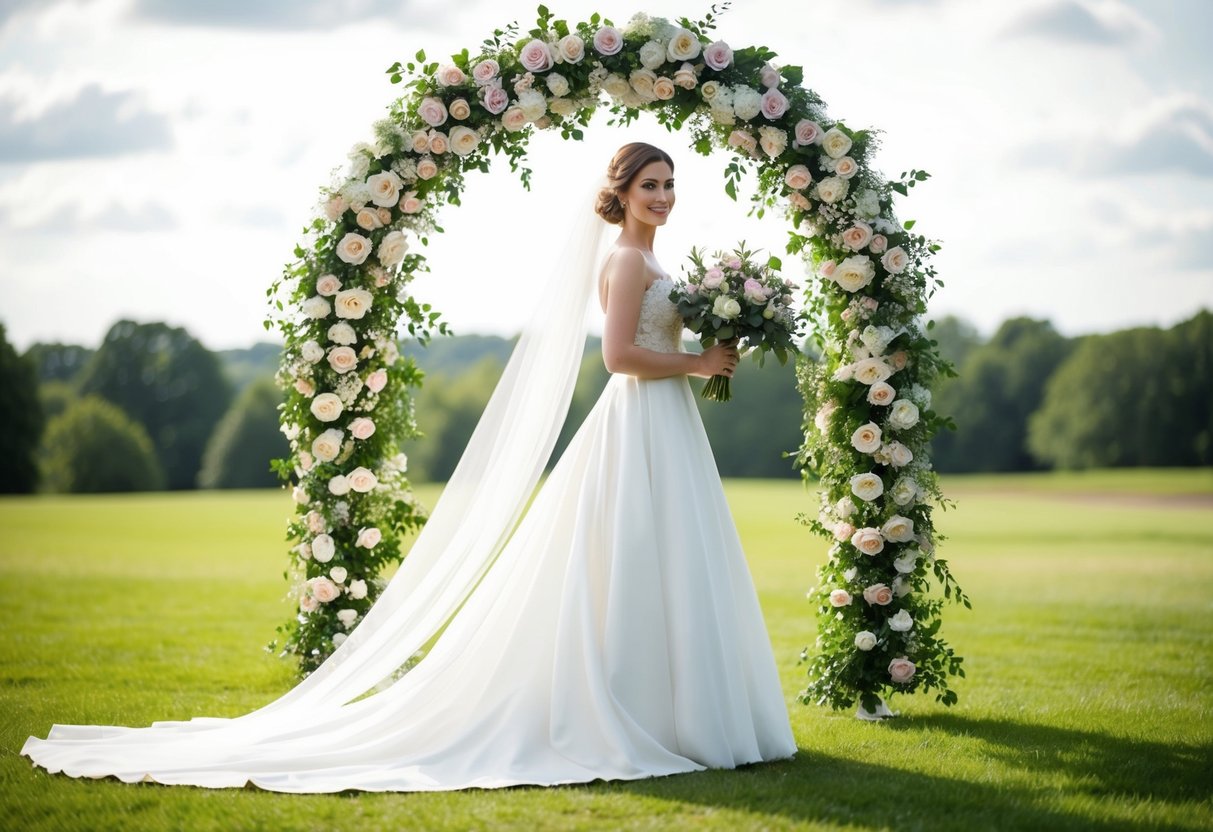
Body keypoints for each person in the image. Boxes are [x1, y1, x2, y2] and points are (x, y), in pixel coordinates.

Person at [21, 142, 797, 792]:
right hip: (639, 420)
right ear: (619, 194)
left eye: (668, 185)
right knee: (632, 555)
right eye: (648, 186)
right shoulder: (626, 262)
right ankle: (642, 712)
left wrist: (715, 339)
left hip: (668, 426)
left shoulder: (654, 259)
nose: (661, 196)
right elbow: (620, 355)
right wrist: (700, 361)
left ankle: (683, 712)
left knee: (675, 558)